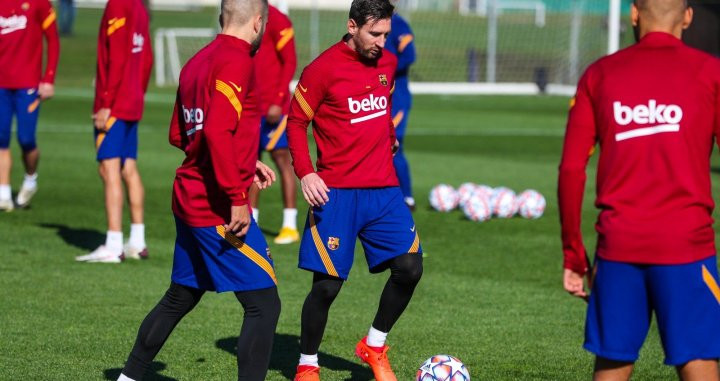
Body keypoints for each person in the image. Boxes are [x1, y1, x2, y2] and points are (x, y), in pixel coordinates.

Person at [115, 1, 280, 380]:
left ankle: (129, 376)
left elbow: (182, 134)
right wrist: (238, 197)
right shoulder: (237, 62)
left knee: (182, 295)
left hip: (189, 195)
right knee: (263, 303)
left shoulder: (196, 62)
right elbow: (218, 130)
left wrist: (244, 159)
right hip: (216, 205)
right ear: (257, 23)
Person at [558, 0, 720, 379]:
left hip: (618, 250)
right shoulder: (711, 73)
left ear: (633, 13)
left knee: (613, 362)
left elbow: (570, 169)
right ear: (688, 16)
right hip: (687, 248)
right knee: (699, 360)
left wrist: (573, 254)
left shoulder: (600, 74)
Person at [287, 1, 423, 380]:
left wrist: (391, 136)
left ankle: (374, 345)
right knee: (327, 286)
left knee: (410, 268)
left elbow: (384, 107)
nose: (382, 42)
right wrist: (306, 173)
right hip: (337, 192)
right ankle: (307, 365)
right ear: (352, 26)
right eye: (374, 34)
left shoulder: (387, 63)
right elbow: (296, 122)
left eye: (386, 34)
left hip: (383, 189)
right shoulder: (321, 69)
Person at [76, 0, 153, 263]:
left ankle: (113, 243)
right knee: (127, 168)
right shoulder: (140, 8)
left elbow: (118, 55)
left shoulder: (118, 5)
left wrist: (106, 103)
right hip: (131, 101)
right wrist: (137, 94)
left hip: (115, 103)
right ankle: (137, 241)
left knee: (109, 169)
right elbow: (147, 58)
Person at [0, 0, 59, 211]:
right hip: (1, 84)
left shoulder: (39, 3)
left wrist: (49, 78)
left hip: (28, 84)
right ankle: (4, 193)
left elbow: (53, 39)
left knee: (26, 139)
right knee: (1, 138)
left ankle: (30, 178)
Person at [249, 3, 299, 244]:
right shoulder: (244, 15)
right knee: (248, 164)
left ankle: (289, 225)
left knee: (283, 162)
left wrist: (278, 100)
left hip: (273, 108)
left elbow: (289, 61)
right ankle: (251, 222)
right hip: (249, 106)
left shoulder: (277, 19)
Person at [385, 6, 416, 210]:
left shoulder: (399, 24)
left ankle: (406, 197)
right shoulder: (367, 21)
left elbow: (409, 56)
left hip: (397, 97)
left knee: (392, 145)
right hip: (374, 95)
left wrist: (384, 68)